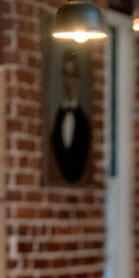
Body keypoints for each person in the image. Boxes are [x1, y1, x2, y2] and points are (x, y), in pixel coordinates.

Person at [51, 49, 91, 183]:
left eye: (72, 75)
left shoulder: (83, 120)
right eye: (66, 75)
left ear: (77, 78)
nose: (69, 81)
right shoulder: (57, 117)